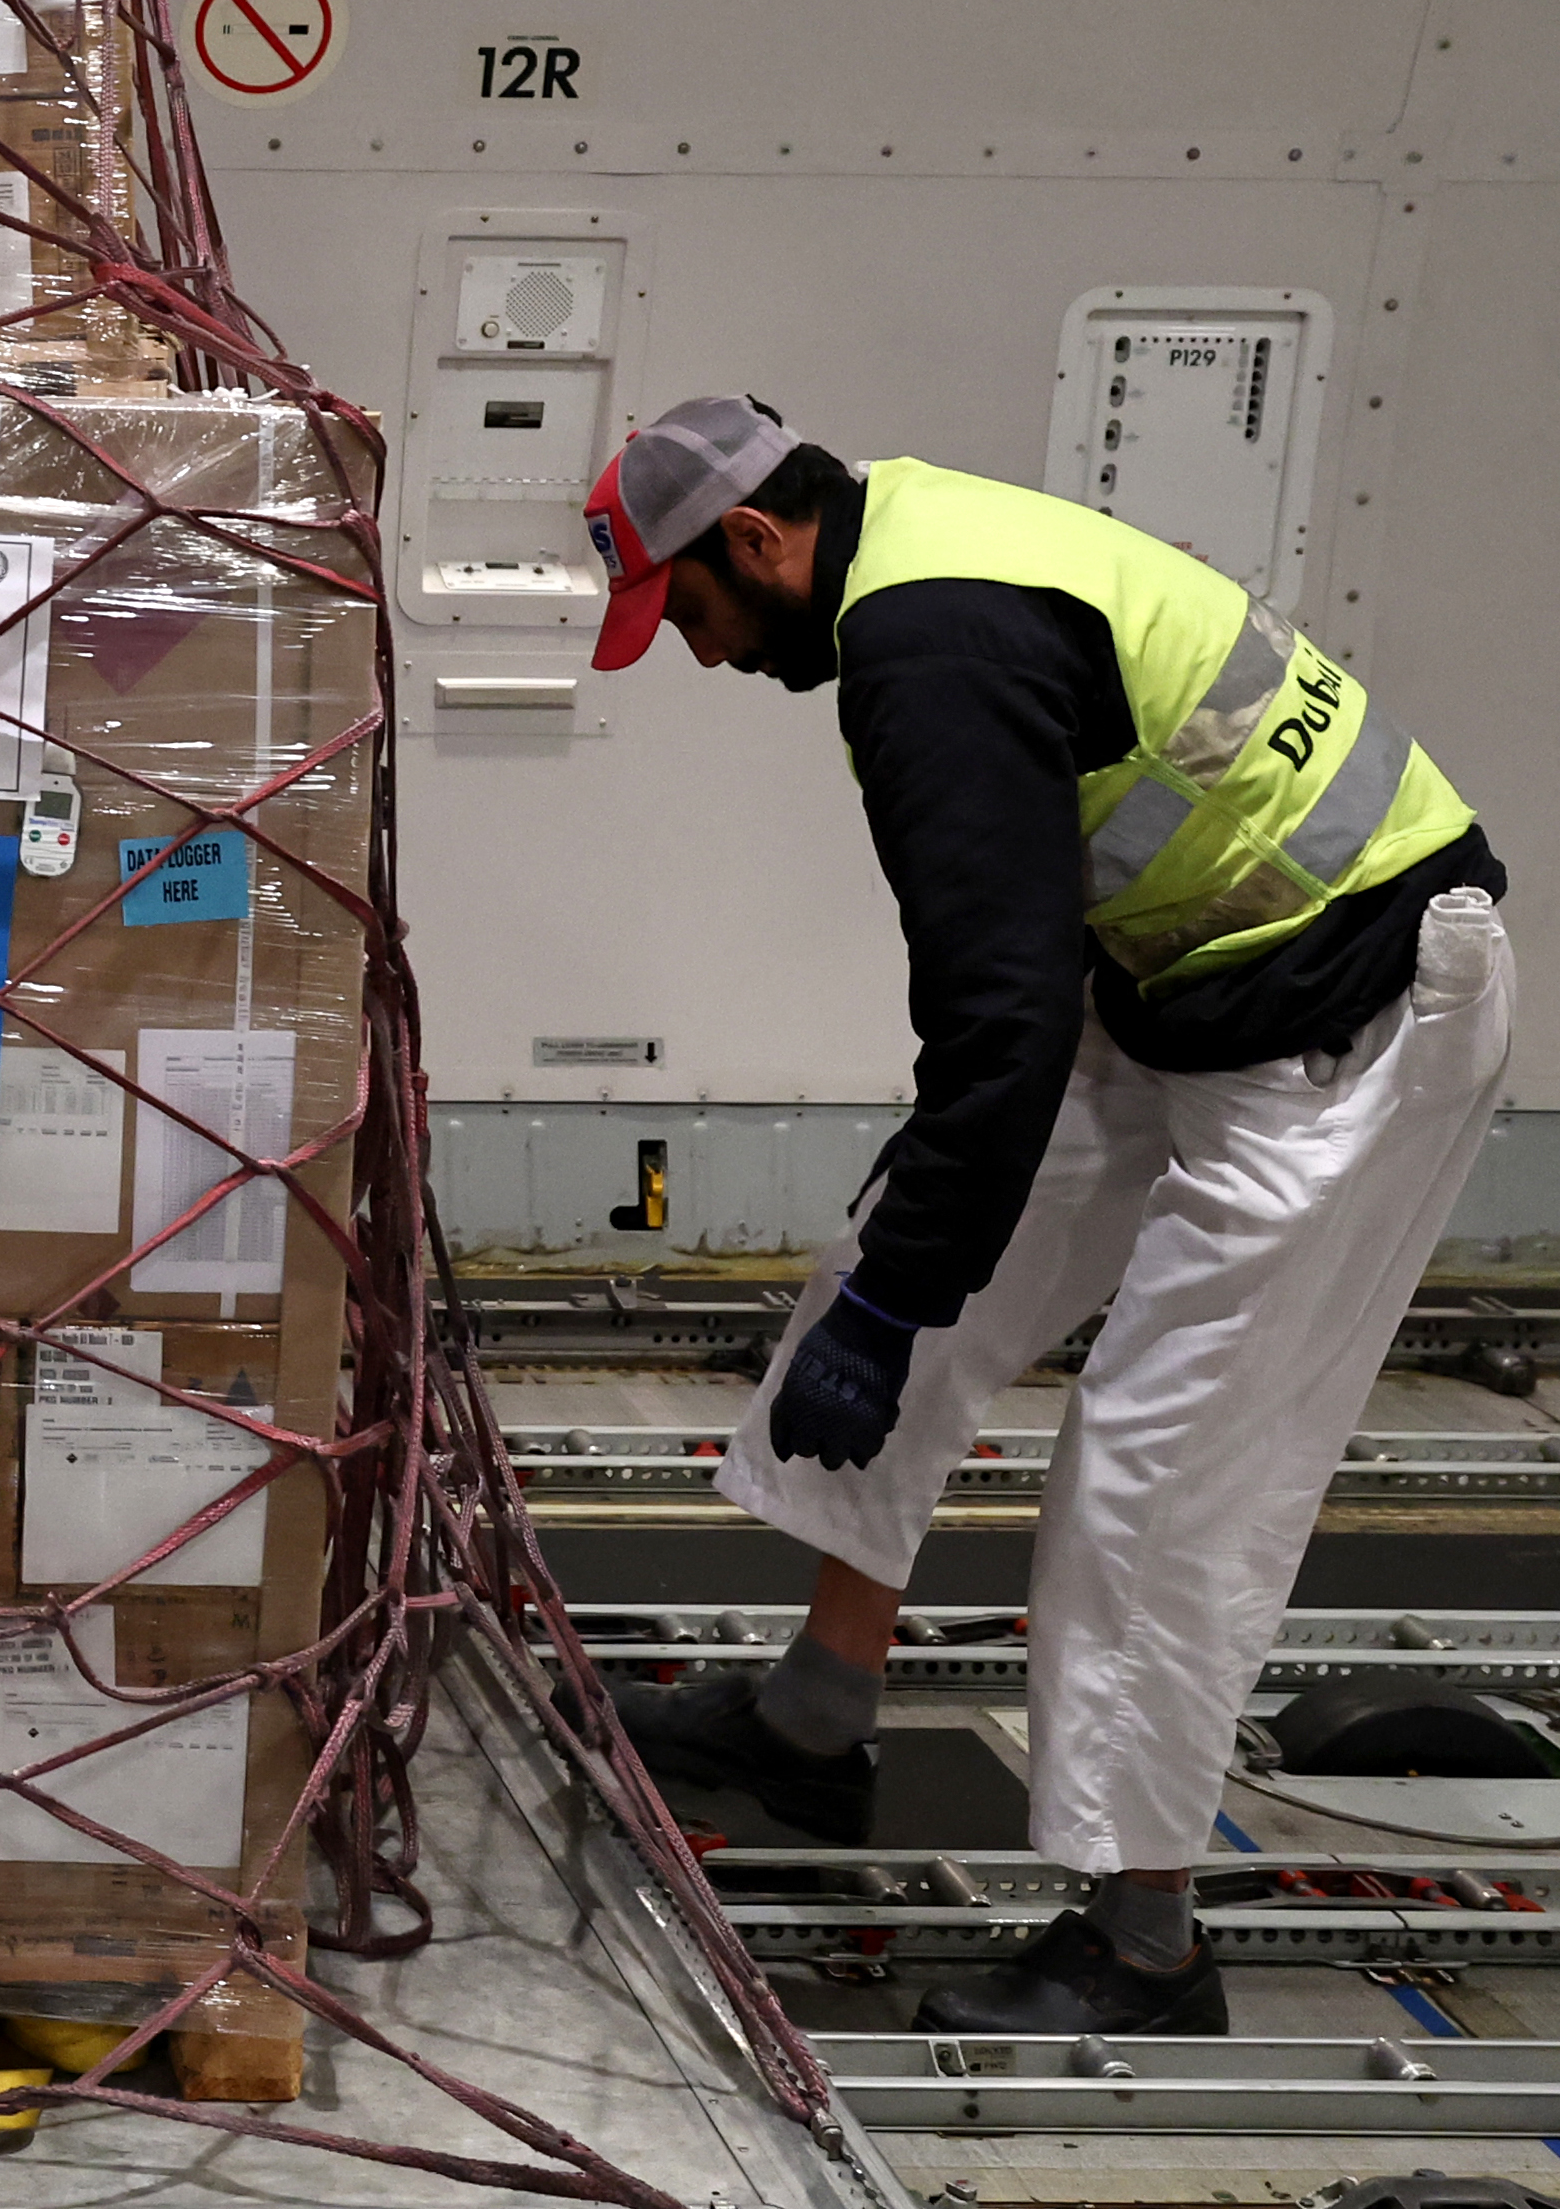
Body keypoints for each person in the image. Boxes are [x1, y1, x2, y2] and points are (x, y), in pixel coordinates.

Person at [570, 395, 1512, 2038]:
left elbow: (994, 1028)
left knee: (1156, 1466)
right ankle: (813, 1707)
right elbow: (1017, 983)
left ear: (755, 538)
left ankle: (1144, 1942)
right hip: (1187, 977)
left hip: (1349, 1020)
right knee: (887, 1260)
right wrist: (894, 1288)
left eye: (692, 612)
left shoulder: (924, 649)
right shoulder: (907, 540)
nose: (702, 655)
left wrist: (903, 1304)